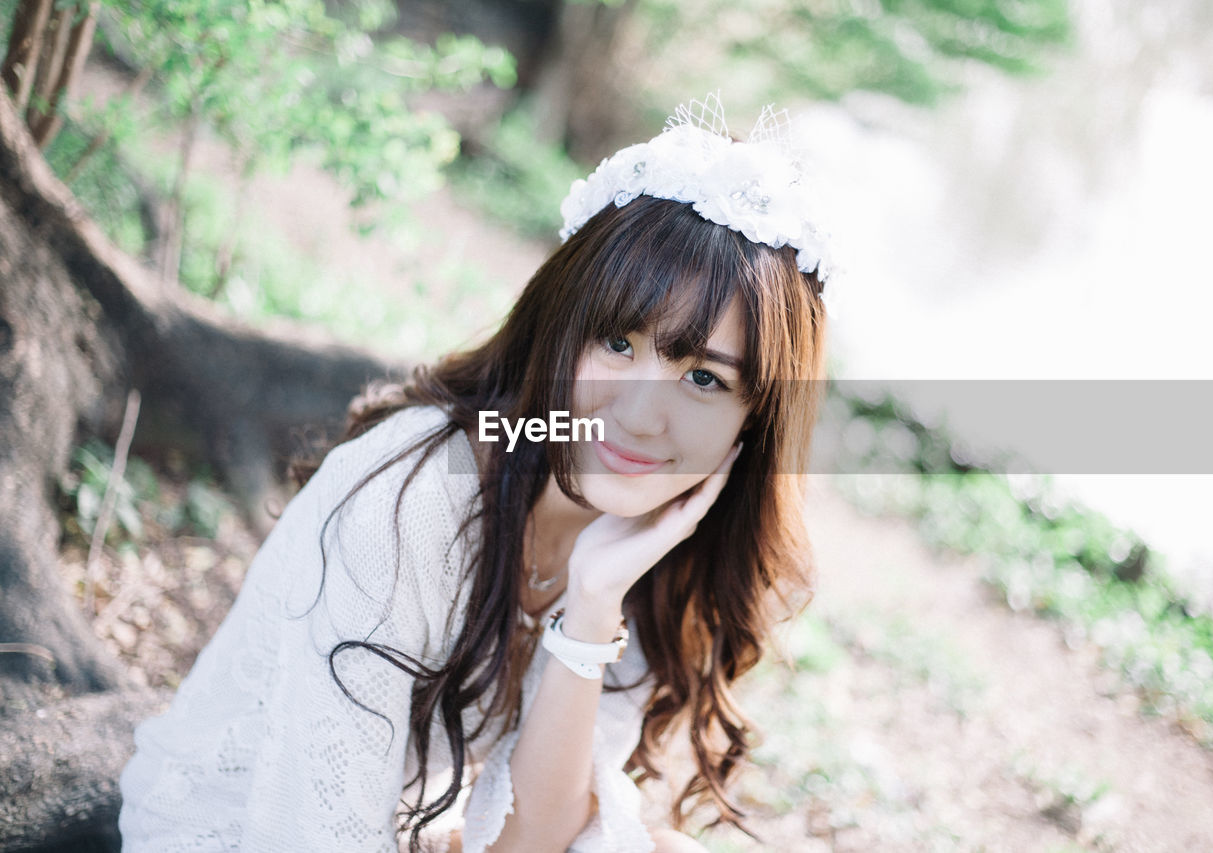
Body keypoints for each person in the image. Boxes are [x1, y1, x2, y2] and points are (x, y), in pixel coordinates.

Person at [118, 94, 834, 853]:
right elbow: (313, 826)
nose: (640, 416)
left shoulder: (649, 541)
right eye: (618, 344)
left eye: (703, 380)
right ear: (558, 331)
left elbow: (535, 842)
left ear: (755, 418)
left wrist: (592, 602)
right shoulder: (411, 498)